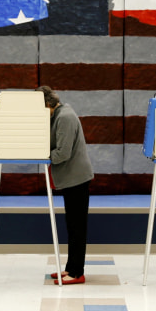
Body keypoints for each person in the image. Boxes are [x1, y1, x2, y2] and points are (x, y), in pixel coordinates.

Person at [37, 86, 93, 285]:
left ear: (47, 104)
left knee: (77, 227)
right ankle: (71, 267)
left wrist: (40, 156)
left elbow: (63, 152)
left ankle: (77, 273)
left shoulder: (64, 117)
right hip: (71, 178)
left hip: (76, 178)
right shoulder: (58, 115)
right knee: (72, 226)